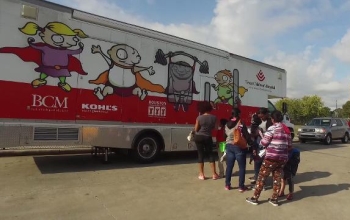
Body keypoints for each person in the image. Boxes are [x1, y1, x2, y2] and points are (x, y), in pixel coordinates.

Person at [246, 110, 292, 206]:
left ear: (273, 119)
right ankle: (274, 199)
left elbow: (263, 143)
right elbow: (290, 146)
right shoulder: (286, 129)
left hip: (271, 157)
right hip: (282, 158)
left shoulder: (272, 128)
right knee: (277, 179)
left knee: (261, 177)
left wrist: (262, 138)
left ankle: (255, 198)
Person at [224, 108, 252, 192]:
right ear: (239, 114)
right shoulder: (240, 123)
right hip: (238, 146)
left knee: (229, 166)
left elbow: (224, 136)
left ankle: (227, 185)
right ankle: (241, 186)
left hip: (228, 146)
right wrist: (251, 143)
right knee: (242, 167)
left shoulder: (226, 124)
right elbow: (246, 135)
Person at [194, 101, 219, 180]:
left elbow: (196, 129)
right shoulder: (214, 117)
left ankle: (201, 174)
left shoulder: (199, 118)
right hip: (208, 137)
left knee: (200, 155)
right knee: (210, 154)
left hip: (198, 137)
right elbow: (215, 128)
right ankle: (214, 174)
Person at [248, 114, 266, 191]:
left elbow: (254, 142)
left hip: (258, 151)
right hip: (260, 150)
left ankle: (260, 185)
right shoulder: (259, 129)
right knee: (260, 168)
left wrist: (254, 151)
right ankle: (260, 182)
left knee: (257, 168)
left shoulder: (255, 129)